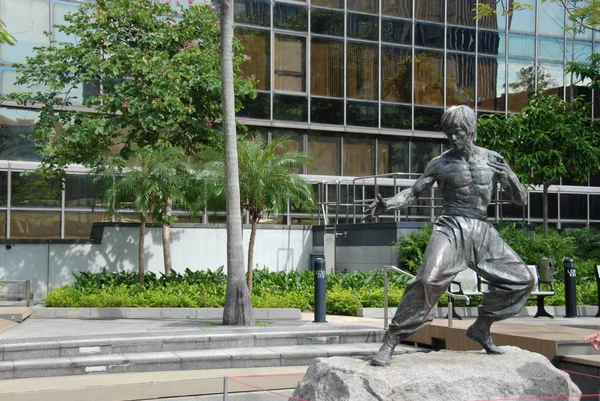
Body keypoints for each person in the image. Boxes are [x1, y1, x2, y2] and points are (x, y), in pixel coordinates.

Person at [366, 105, 535, 366]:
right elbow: (413, 193)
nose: (452, 138)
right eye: (448, 133)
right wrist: (387, 204)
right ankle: (390, 341)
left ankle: (482, 326)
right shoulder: (440, 163)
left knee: (522, 280)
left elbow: (522, 199)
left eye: (457, 132)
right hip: (451, 227)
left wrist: (509, 176)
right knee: (426, 281)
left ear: (471, 130)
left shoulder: (493, 160)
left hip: (481, 230)